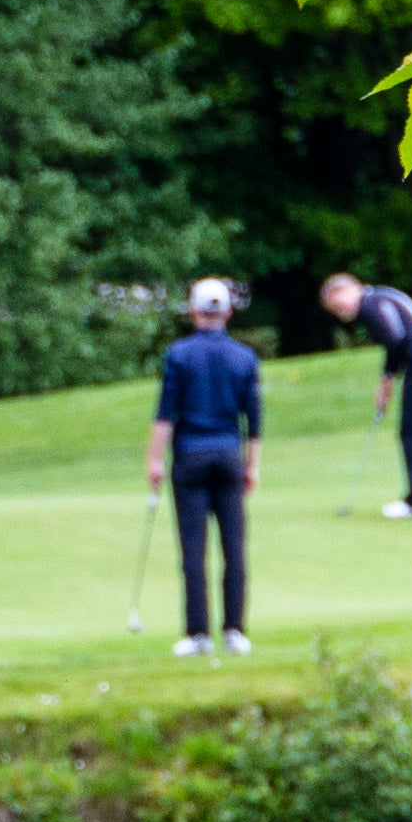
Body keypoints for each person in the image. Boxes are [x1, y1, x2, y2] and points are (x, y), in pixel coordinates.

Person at [147, 276, 261, 655]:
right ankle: (234, 631)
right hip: (229, 455)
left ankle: (198, 635)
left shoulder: (178, 355)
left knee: (193, 550)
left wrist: (153, 460)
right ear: (227, 312)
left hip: (191, 457)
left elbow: (166, 414)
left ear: (194, 312)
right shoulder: (245, 357)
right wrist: (252, 466)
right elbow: (254, 421)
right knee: (234, 548)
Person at [315, 269, 412, 517]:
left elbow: (395, 340)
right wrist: (390, 378)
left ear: (345, 291)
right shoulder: (380, 296)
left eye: (338, 306)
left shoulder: (369, 304)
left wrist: (386, 380)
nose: (341, 313)